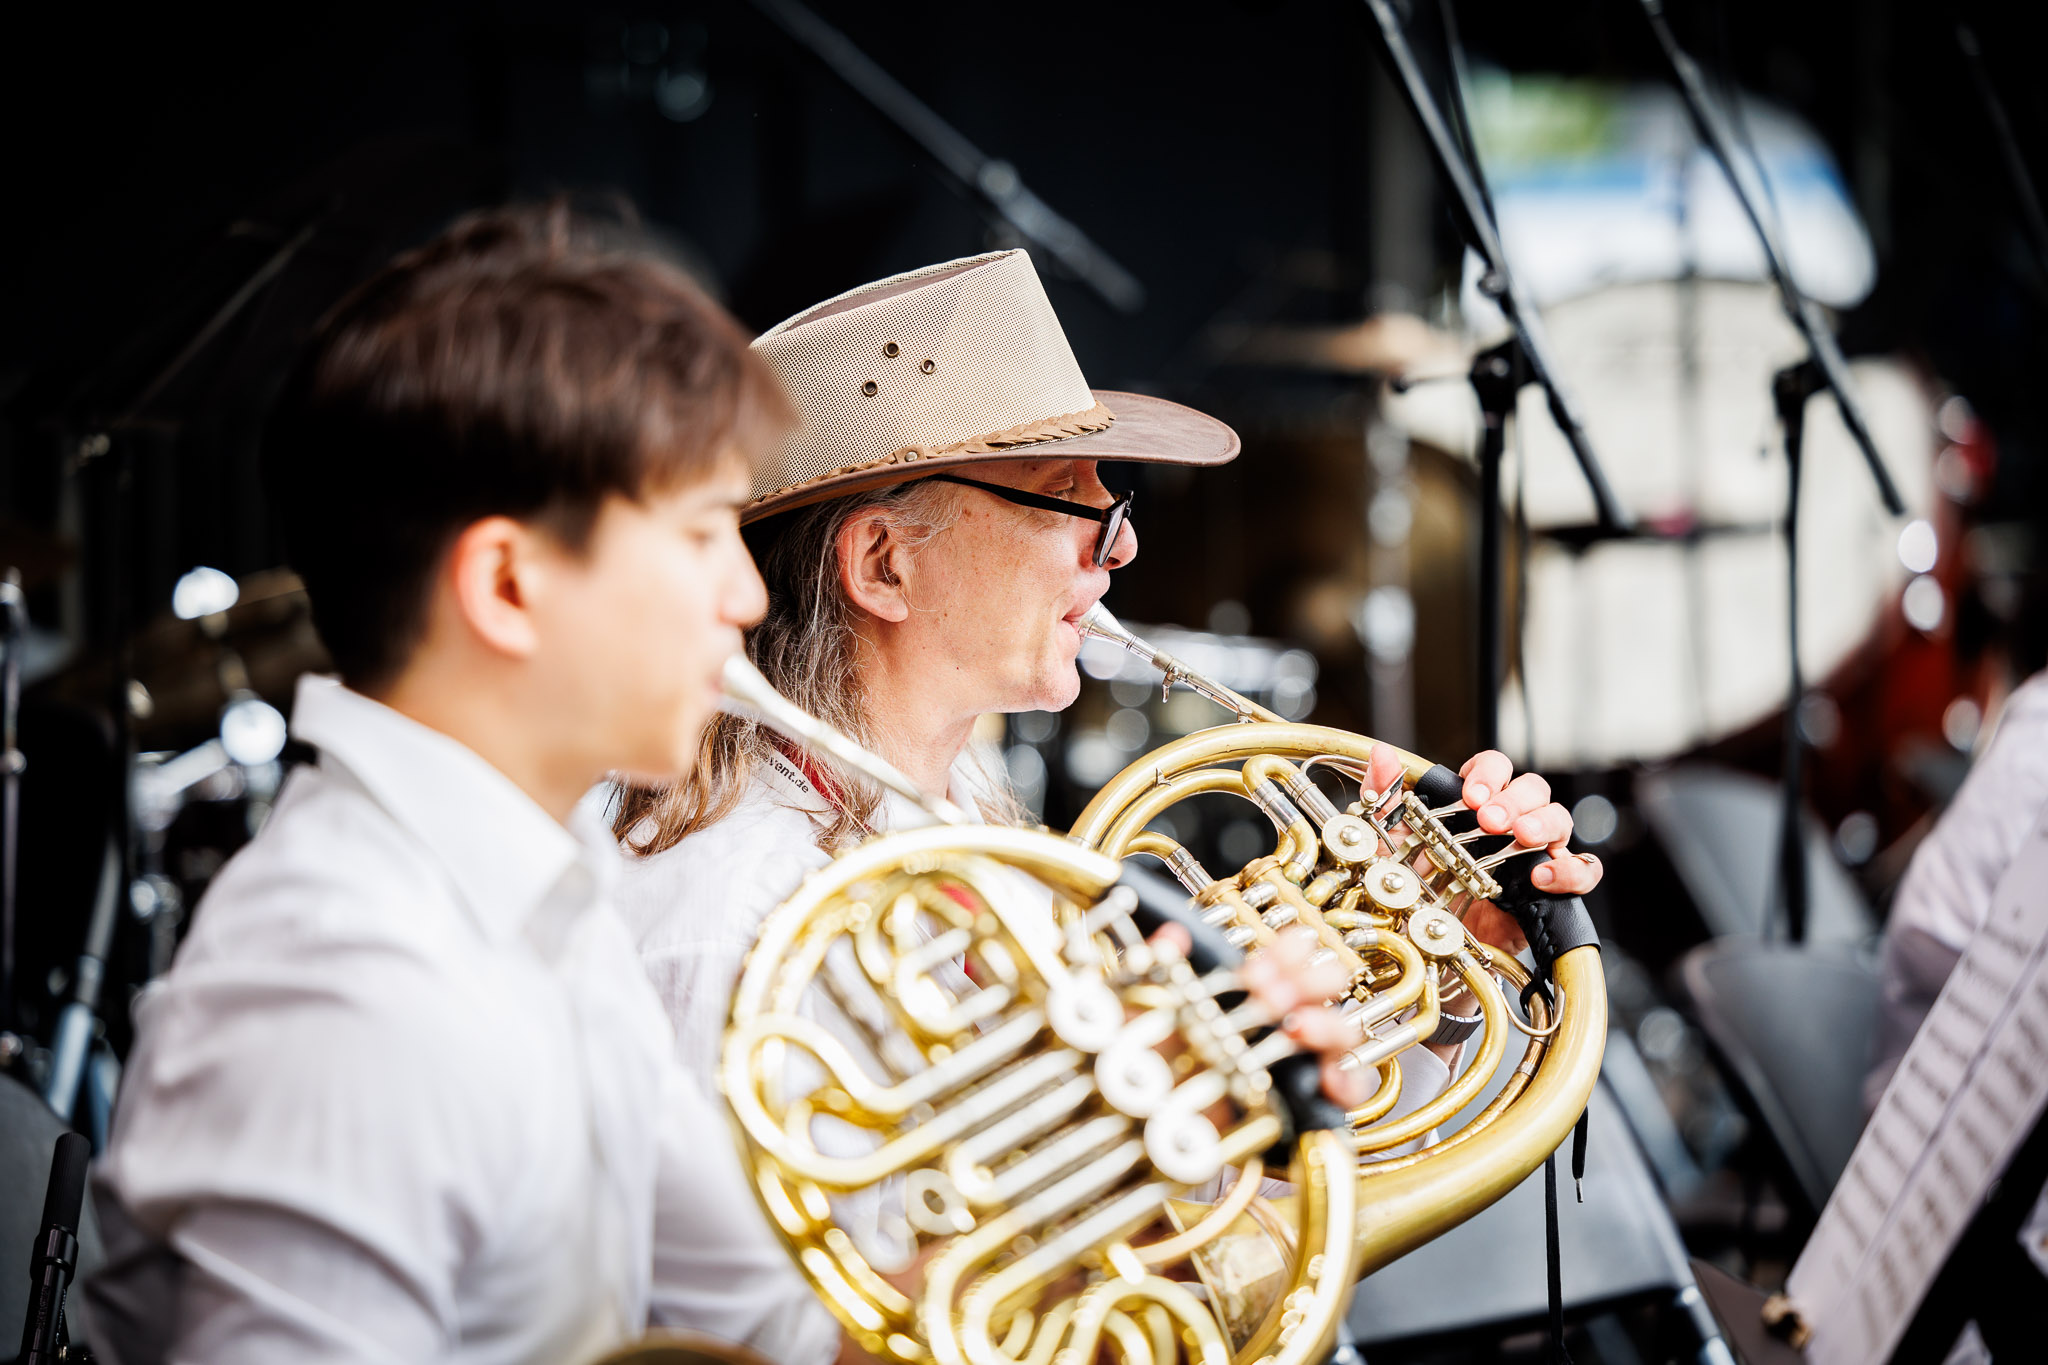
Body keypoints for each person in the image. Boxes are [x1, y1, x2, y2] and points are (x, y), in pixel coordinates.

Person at [81, 208, 1387, 1365]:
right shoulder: (344, 982)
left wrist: (1132, 1128)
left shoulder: (546, 905)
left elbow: (809, 1339)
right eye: (698, 533)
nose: (746, 593)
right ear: (510, 586)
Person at [613, 248, 1603, 1139]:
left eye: (1112, 500)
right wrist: (1148, 1123)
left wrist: (1429, 973)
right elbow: (810, 1338)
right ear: (881, 563)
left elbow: (1233, 1207)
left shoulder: (961, 817)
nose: (1121, 545)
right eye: (1067, 497)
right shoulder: (740, 921)